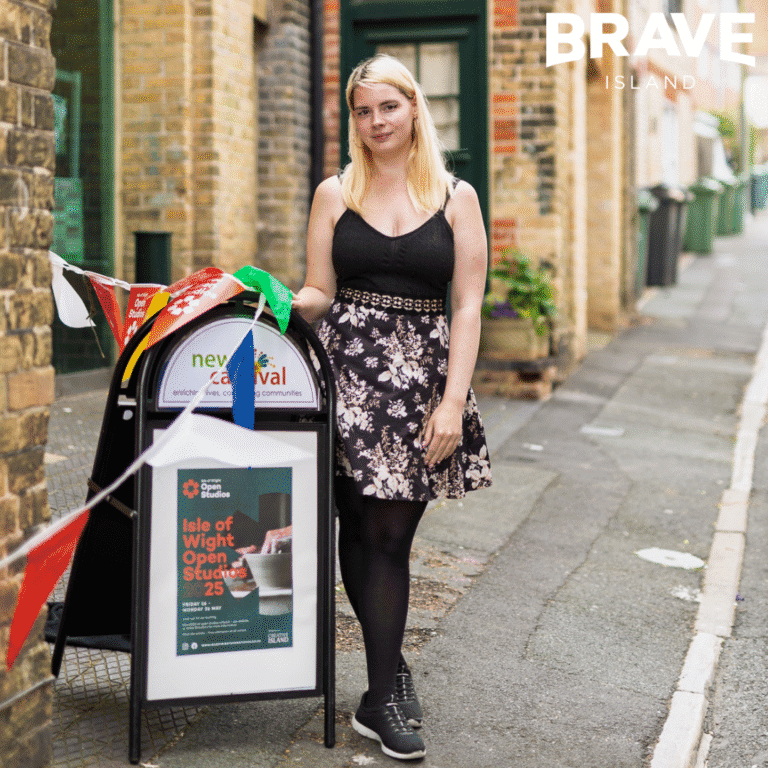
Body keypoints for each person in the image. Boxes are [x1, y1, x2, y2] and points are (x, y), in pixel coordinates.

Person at [292, 53, 492, 761]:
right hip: (345, 377)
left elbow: (466, 306)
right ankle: (382, 694)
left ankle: (384, 676)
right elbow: (319, 290)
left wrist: (452, 401)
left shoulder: (455, 195)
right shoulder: (333, 192)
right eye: (363, 111)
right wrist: (279, 305)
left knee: (390, 536)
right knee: (358, 526)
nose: (376, 122)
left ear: (414, 109)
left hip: (419, 387)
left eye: (388, 107)